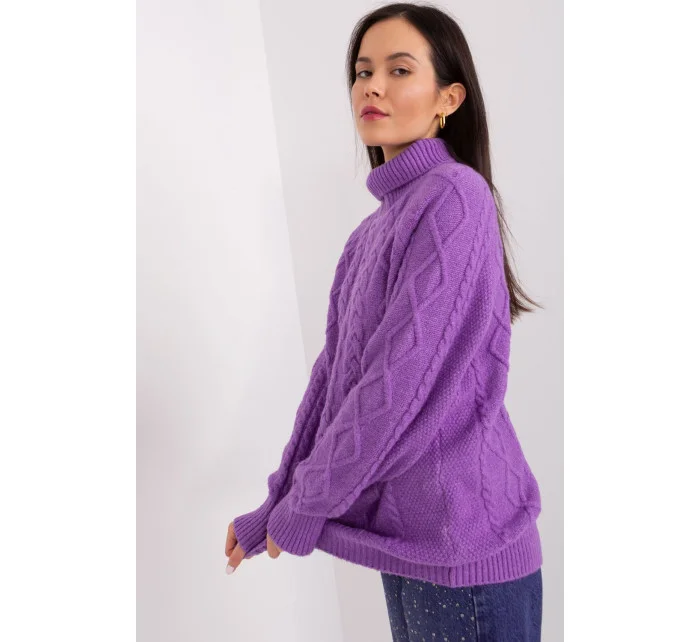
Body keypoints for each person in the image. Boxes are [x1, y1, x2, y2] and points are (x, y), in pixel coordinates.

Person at [226, 3, 545, 640]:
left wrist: (306, 505)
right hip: (409, 543)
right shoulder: (371, 233)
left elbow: (393, 387)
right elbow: (335, 382)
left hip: (464, 548)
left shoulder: (454, 196)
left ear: (448, 98)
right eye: (363, 71)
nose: (372, 86)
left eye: (399, 70)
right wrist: (278, 499)